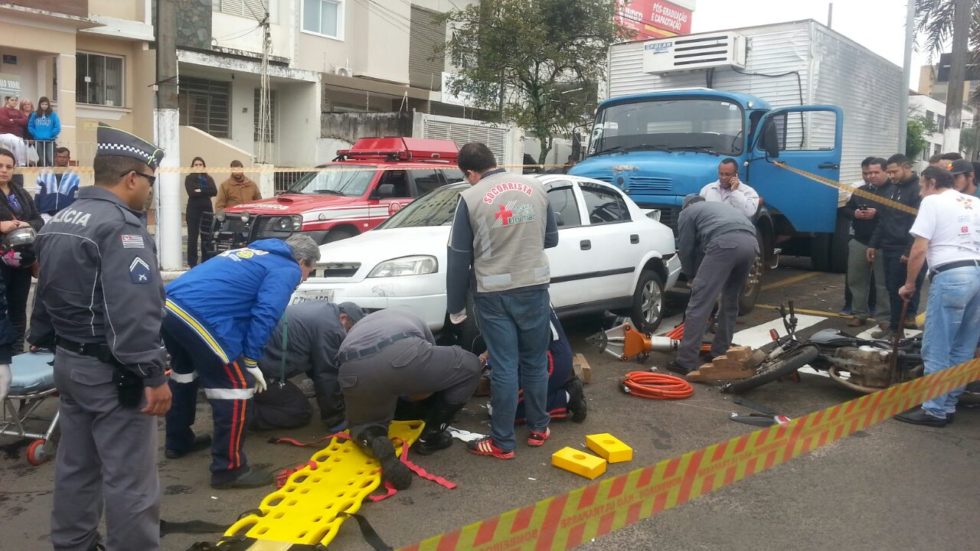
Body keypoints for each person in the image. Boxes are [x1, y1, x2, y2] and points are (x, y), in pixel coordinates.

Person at [27, 124, 171, 550]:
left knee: (77, 467)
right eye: (150, 180)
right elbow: (134, 310)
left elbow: (45, 294)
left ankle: (73, 544)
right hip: (115, 372)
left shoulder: (63, 219)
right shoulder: (121, 228)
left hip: (71, 364)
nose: (149, 189)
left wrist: (45, 340)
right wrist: (153, 373)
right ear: (131, 178)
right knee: (131, 479)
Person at [163, 234, 319, 489]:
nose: (305, 279)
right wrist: (250, 360)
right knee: (235, 389)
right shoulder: (287, 268)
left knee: (184, 375)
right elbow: (267, 312)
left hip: (170, 307)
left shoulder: (250, 254)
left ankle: (178, 441)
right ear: (302, 260)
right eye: (308, 271)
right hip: (202, 317)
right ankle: (228, 470)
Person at [446, 142, 558, 460]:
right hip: (535, 285)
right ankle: (539, 428)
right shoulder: (536, 187)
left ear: (469, 172)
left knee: (505, 365)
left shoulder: (470, 197)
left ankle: (502, 442)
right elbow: (552, 238)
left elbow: (458, 257)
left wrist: (456, 308)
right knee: (535, 360)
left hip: (493, 294)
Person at [337, 308, 482, 489]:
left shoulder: (358, 329)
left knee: (363, 426)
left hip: (352, 370)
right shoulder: (408, 316)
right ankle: (431, 436)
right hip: (401, 355)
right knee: (470, 366)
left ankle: (374, 439)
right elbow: (424, 382)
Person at [894, 166, 980, 427]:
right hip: (977, 273)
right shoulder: (974, 202)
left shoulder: (932, 201)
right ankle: (948, 404)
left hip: (952, 276)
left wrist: (909, 284)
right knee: (963, 347)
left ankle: (934, 410)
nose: (920, 191)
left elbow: (919, 249)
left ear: (931, 182)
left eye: (922, 185)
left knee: (937, 346)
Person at [670, 195, 759, 374]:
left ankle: (686, 361)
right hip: (751, 244)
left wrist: (691, 275)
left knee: (700, 302)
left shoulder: (687, 213)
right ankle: (720, 353)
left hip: (725, 244)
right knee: (730, 301)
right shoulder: (715, 209)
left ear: (686, 206)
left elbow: (686, 248)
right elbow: (705, 248)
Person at [253, 300, 364, 431]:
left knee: (297, 397)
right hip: (255, 371)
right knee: (300, 411)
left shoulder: (325, 311)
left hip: (259, 359)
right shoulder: (331, 328)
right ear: (344, 319)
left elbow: (316, 364)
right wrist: (336, 419)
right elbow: (326, 375)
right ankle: (241, 413)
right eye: (351, 331)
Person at [480, 308, 587, 423]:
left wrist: (485, 359)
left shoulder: (516, 298)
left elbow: (507, 340)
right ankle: (551, 390)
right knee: (502, 399)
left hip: (549, 360)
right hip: (548, 354)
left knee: (500, 414)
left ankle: (567, 397)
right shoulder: (528, 293)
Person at [868, 154, 923, 338]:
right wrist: (873, 244)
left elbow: (917, 225)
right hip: (888, 245)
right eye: (889, 172)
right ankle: (894, 327)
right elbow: (883, 219)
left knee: (900, 289)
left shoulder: (917, 190)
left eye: (894, 171)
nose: (891, 176)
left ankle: (897, 329)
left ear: (906, 167)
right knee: (891, 288)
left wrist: (908, 251)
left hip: (903, 247)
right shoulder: (891, 189)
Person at [0, 148, 44, 352]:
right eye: (0, 166)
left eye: (9, 167)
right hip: (1, 261)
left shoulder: (21, 192)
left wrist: (25, 224)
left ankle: (17, 353)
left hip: (22, 262)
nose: (4, 170)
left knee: (18, 309)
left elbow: (39, 220)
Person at [842, 157, 890, 327]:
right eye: (867, 173)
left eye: (876, 172)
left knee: (883, 283)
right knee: (856, 280)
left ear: (885, 171)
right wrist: (855, 213)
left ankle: (884, 318)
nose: (871, 176)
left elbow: (900, 216)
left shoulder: (893, 191)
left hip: (883, 244)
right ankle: (859, 313)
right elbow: (845, 209)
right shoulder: (860, 190)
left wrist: (877, 213)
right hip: (860, 241)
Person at [185, 156, 218, 267]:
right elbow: (192, 193)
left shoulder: (208, 178)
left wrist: (200, 190)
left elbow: (214, 191)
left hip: (207, 209)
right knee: (193, 237)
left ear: (204, 166)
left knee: (207, 236)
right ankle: (192, 263)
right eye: (196, 164)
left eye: (200, 164)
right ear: (192, 166)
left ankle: (206, 261)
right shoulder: (189, 178)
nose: (198, 166)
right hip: (193, 210)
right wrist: (205, 191)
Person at [34, 147, 80, 221]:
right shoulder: (44, 173)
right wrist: (36, 213)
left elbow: (76, 197)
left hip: (66, 215)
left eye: (64, 157)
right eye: (59, 157)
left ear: (69, 158)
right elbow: (37, 194)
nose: (62, 159)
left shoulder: (74, 176)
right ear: (55, 158)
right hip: (46, 214)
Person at [28, 97, 60, 167]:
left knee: (50, 159)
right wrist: (35, 134)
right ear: (39, 104)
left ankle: (52, 173)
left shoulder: (53, 114)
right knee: (42, 159)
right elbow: (30, 126)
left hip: (50, 140)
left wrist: (51, 134)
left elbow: (57, 127)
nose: (44, 106)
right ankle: (44, 174)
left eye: (46, 104)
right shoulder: (34, 114)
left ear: (48, 105)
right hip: (38, 140)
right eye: (42, 104)